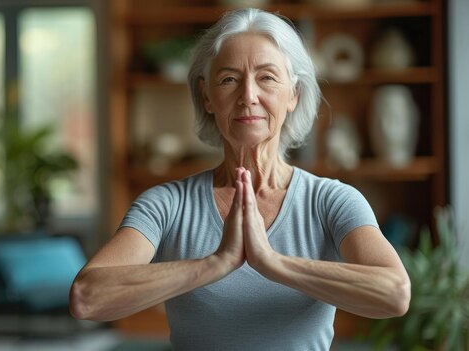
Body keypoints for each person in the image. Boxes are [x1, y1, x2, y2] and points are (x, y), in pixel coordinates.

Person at [70, 8, 410, 350]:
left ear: (293, 95)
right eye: (229, 79)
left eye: (267, 77)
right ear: (206, 96)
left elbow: (394, 293)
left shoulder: (331, 201)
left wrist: (272, 263)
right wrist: (215, 263)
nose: (248, 95)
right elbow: (87, 297)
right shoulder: (166, 205)